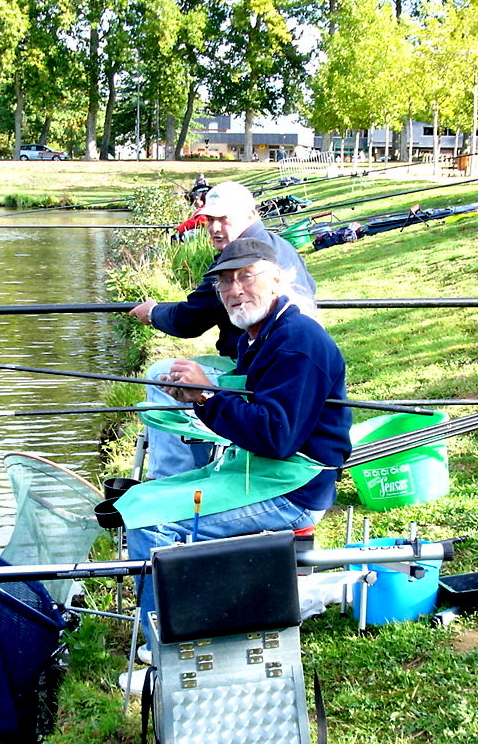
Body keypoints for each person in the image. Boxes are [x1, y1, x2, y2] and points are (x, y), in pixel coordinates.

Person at [113, 238, 350, 686]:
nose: (235, 289)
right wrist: (197, 396)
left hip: (294, 488)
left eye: (247, 276)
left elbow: (276, 436)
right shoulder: (261, 333)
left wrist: (206, 395)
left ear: (279, 279)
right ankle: (185, 618)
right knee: (141, 496)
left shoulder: (298, 343)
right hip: (259, 470)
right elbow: (250, 410)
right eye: (225, 281)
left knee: (148, 522)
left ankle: (166, 655)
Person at [128, 180, 318, 478]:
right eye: (210, 220)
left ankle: (172, 476)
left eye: (224, 219)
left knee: (161, 375)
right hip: (259, 358)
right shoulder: (280, 244)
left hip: (259, 368)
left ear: (251, 216)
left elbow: (188, 321)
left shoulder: (243, 259)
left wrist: (151, 312)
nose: (215, 228)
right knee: (184, 380)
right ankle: (203, 462)